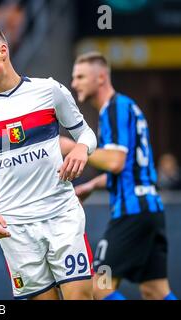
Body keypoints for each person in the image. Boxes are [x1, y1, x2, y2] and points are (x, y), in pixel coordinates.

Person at [0, 25, 97, 300]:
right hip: (15, 227)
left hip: (61, 215)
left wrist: (82, 148)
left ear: (2, 51)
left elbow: (86, 133)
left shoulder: (49, 90)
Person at [64, 51, 177, 300]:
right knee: (154, 290)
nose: (74, 84)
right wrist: (92, 184)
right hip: (150, 210)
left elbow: (116, 162)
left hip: (132, 213)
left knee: (99, 286)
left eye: (81, 76)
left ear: (101, 77)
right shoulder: (124, 108)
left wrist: (69, 146)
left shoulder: (114, 109)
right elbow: (130, 169)